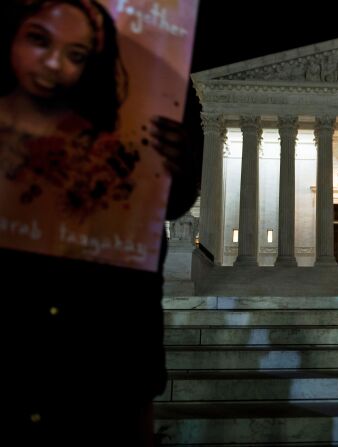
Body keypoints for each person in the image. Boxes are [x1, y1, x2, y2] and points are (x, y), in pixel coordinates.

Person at [0, 1, 197, 445]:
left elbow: (174, 203)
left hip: (110, 331)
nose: (56, 63)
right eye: (41, 41)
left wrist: (177, 171)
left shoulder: (143, 100)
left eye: (78, 55)